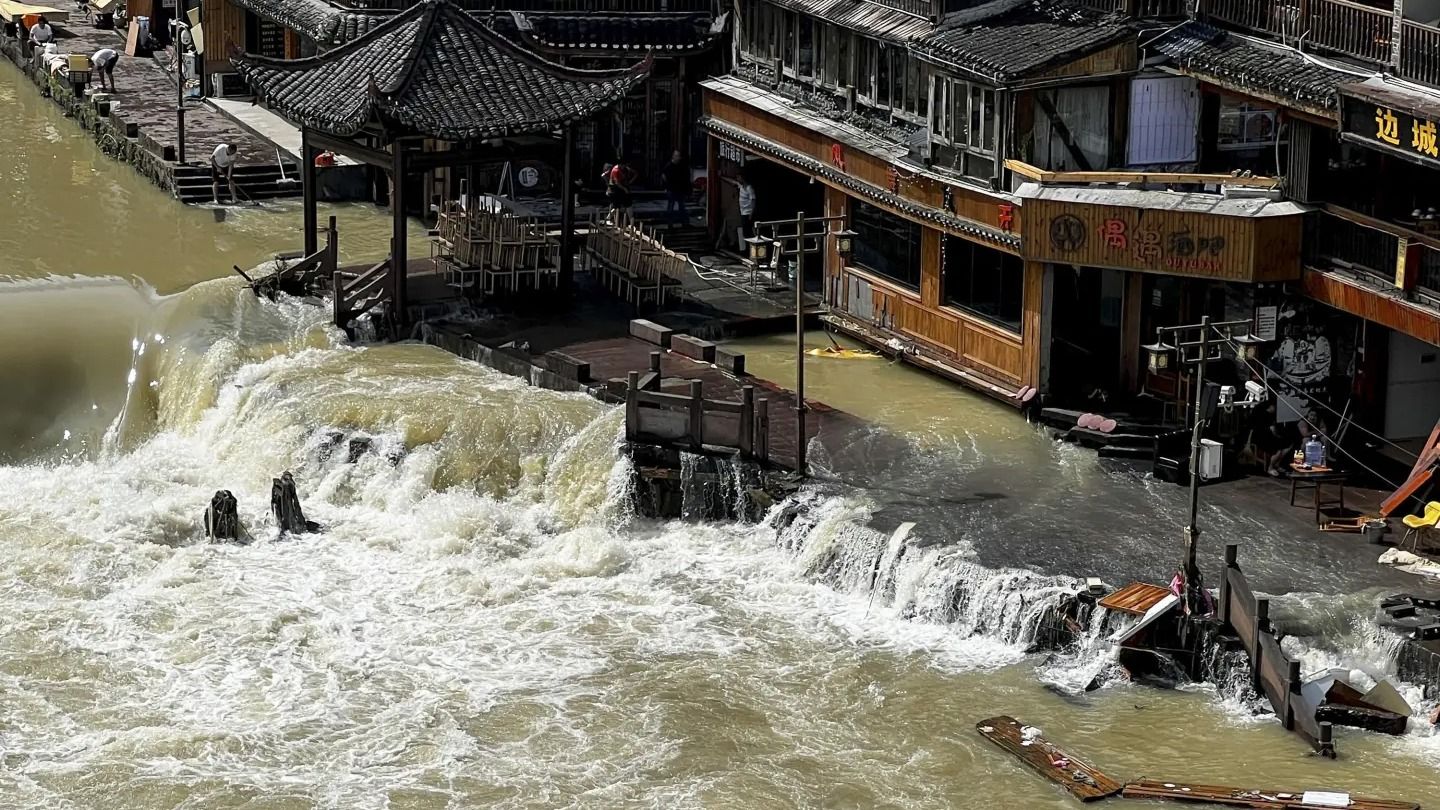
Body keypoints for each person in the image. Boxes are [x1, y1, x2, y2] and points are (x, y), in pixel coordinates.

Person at [662, 151, 690, 227]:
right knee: (671, 207)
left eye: (679, 156)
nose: (678, 157)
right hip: (671, 189)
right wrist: (666, 186)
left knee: (682, 207)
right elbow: (664, 176)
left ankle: (684, 223)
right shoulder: (668, 166)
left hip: (680, 189)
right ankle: (670, 224)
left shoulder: (681, 166)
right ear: (673, 157)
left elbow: (685, 178)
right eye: (676, 156)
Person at [605, 156, 634, 226]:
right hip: (614, 190)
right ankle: (608, 219)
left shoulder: (624, 169)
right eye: (623, 165)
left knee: (627, 205)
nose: (624, 167)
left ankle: (631, 222)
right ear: (621, 164)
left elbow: (635, 173)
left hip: (620, 190)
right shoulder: (616, 170)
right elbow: (617, 183)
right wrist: (625, 189)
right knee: (616, 206)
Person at [738, 174, 757, 240]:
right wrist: (722, 177)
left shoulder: (749, 188)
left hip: (748, 213)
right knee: (745, 232)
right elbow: (733, 182)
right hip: (743, 212)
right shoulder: (741, 186)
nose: (738, 179)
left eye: (739, 177)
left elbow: (753, 201)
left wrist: (751, 214)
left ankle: (754, 245)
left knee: (749, 231)